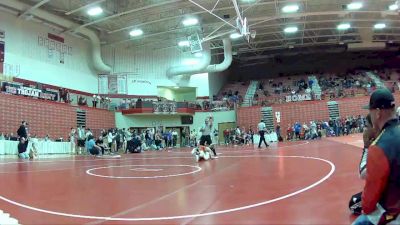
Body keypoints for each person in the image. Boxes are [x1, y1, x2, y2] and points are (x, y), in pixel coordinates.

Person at [352, 88, 400, 225]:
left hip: (393, 215)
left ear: (378, 112)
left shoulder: (379, 147)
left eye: (370, 111)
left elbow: (368, 202)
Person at [349, 114, 378, 215]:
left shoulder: (381, 143)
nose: (365, 129)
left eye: (367, 126)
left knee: (354, 203)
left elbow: (363, 173)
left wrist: (366, 147)